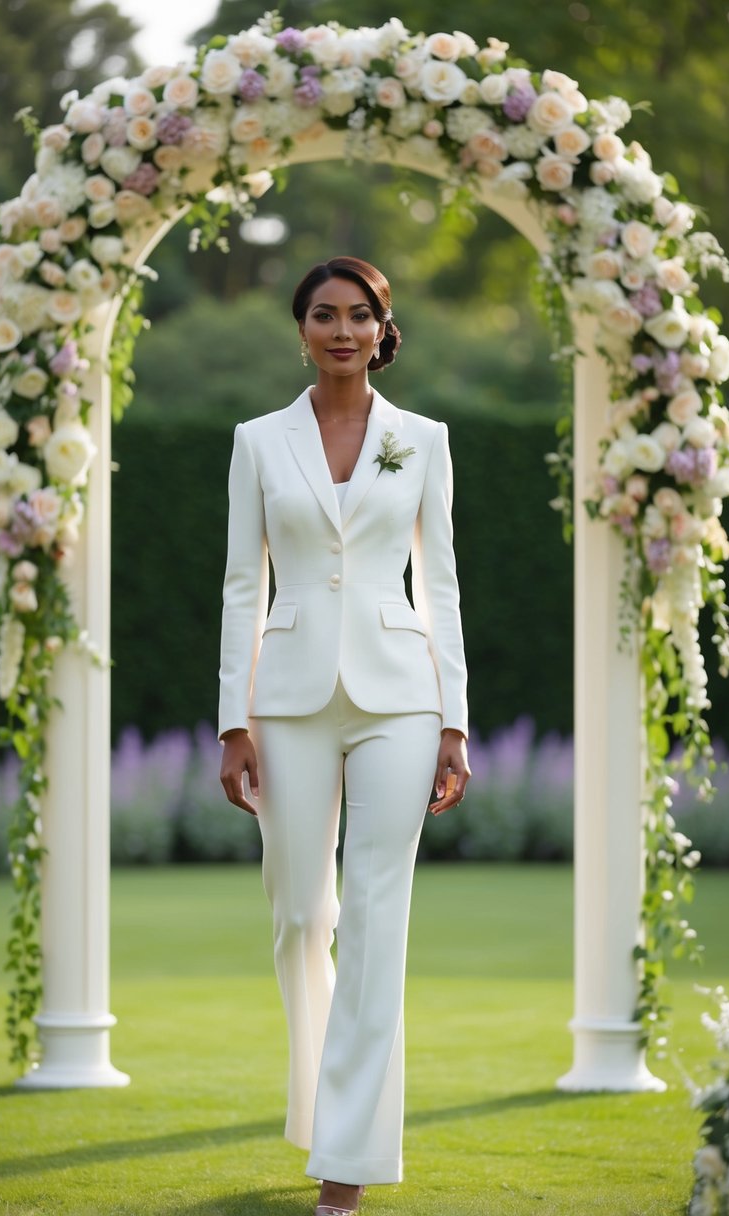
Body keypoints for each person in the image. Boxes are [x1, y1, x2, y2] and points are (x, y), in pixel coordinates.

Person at [218, 256, 470, 1215]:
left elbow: (438, 583)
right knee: (300, 921)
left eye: (357, 315)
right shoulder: (256, 441)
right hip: (284, 699)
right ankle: (317, 1102)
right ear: (300, 329)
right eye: (323, 315)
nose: (340, 330)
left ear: (380, 329)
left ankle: (348, 1160)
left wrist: (452, 721)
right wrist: (231, 722)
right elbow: (244, 585)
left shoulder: (423, 441)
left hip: (399, 695)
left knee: (374, 918)